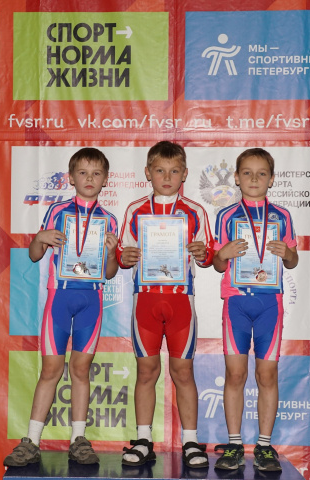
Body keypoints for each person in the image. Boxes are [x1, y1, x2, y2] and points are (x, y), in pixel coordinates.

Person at [3, 147, 119, 467]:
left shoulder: (109, 220)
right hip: (60, 298)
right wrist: (40, 237)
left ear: (106, 180)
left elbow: (110, 273)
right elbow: (34, 255)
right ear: (71, 178)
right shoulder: (57, 211)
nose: (89, 178)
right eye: (83, 173)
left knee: (81, 370)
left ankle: (78, 439)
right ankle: (31, 441)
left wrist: (112, 254)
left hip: (91, 300)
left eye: (96, 173)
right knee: (51, 370)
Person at [115, 141, 214, 468]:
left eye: (174, 171)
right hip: (145, 300)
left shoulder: (195, 211)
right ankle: (143, 439)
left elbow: (208, 255)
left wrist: (203, 253)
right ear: (148, 173)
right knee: (146, 371)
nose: (167, 177)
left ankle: (190, 441)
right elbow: (122, 254)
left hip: (180, 300)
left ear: (184, 174)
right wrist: (126, 257)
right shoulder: (135, 210)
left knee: (183, 371)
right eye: (160, 170)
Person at [212, 148, 298, 472]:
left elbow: (293, 260)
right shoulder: (226, 216)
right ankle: (234, 444)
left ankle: (264, 445)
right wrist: (222, 254)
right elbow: (218, 264)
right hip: (236, 301)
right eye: (247, 173)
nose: (254, 179)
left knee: (267, 374)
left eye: (262, 173)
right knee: (235, 374)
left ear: (271, 179)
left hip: (269, 303)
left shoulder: (282, 216)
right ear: (236, 178)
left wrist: (288, 253)